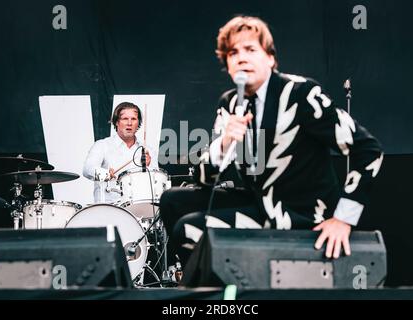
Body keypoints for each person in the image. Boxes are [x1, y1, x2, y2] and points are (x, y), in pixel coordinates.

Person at [160, 16, 383, 267]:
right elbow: (203, 179)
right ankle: (211, 281)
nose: (241, 58)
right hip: (259, 200)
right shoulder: (231, 103)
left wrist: (343, 219)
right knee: (172, 201)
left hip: (300, 211)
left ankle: (212, 292)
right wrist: (223, 144)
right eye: (233, 53)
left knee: (188, 229)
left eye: (250, 49)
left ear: (270, 58)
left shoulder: (300, 94)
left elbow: (368, 150)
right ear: (227, 65)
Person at [83, 102, 158, 203]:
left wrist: (148, 167)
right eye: (125, 119)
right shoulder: (102, 145)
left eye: (133, 119)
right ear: (116, 122)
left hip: (138, 210)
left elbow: (156, 183)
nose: (129, 123)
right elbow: (87, 169)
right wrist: (105, 174)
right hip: (109, 209)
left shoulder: (147, 151)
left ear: (138, 123)